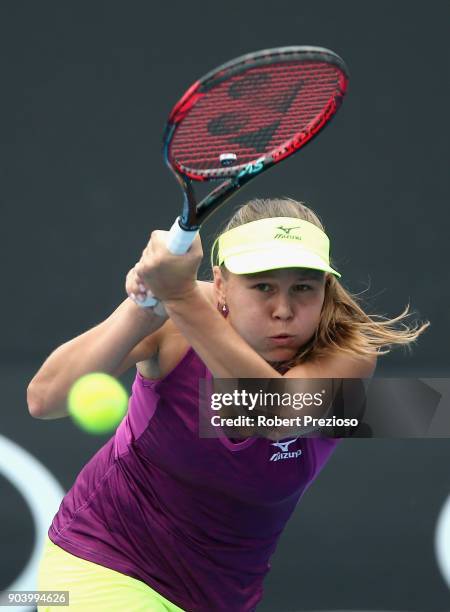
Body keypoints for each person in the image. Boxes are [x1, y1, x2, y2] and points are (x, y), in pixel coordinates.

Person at [29, 197, 429, 611]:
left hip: (219, 598)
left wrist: (181, 299)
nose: (284, 310)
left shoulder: (348, 354)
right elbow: (44, 398)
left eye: (304, 287)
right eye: (262, 286)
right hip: (103, 559)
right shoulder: (175, 322)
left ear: (326, 289)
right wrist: (144, 310)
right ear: (220, 283)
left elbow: (275, 416)